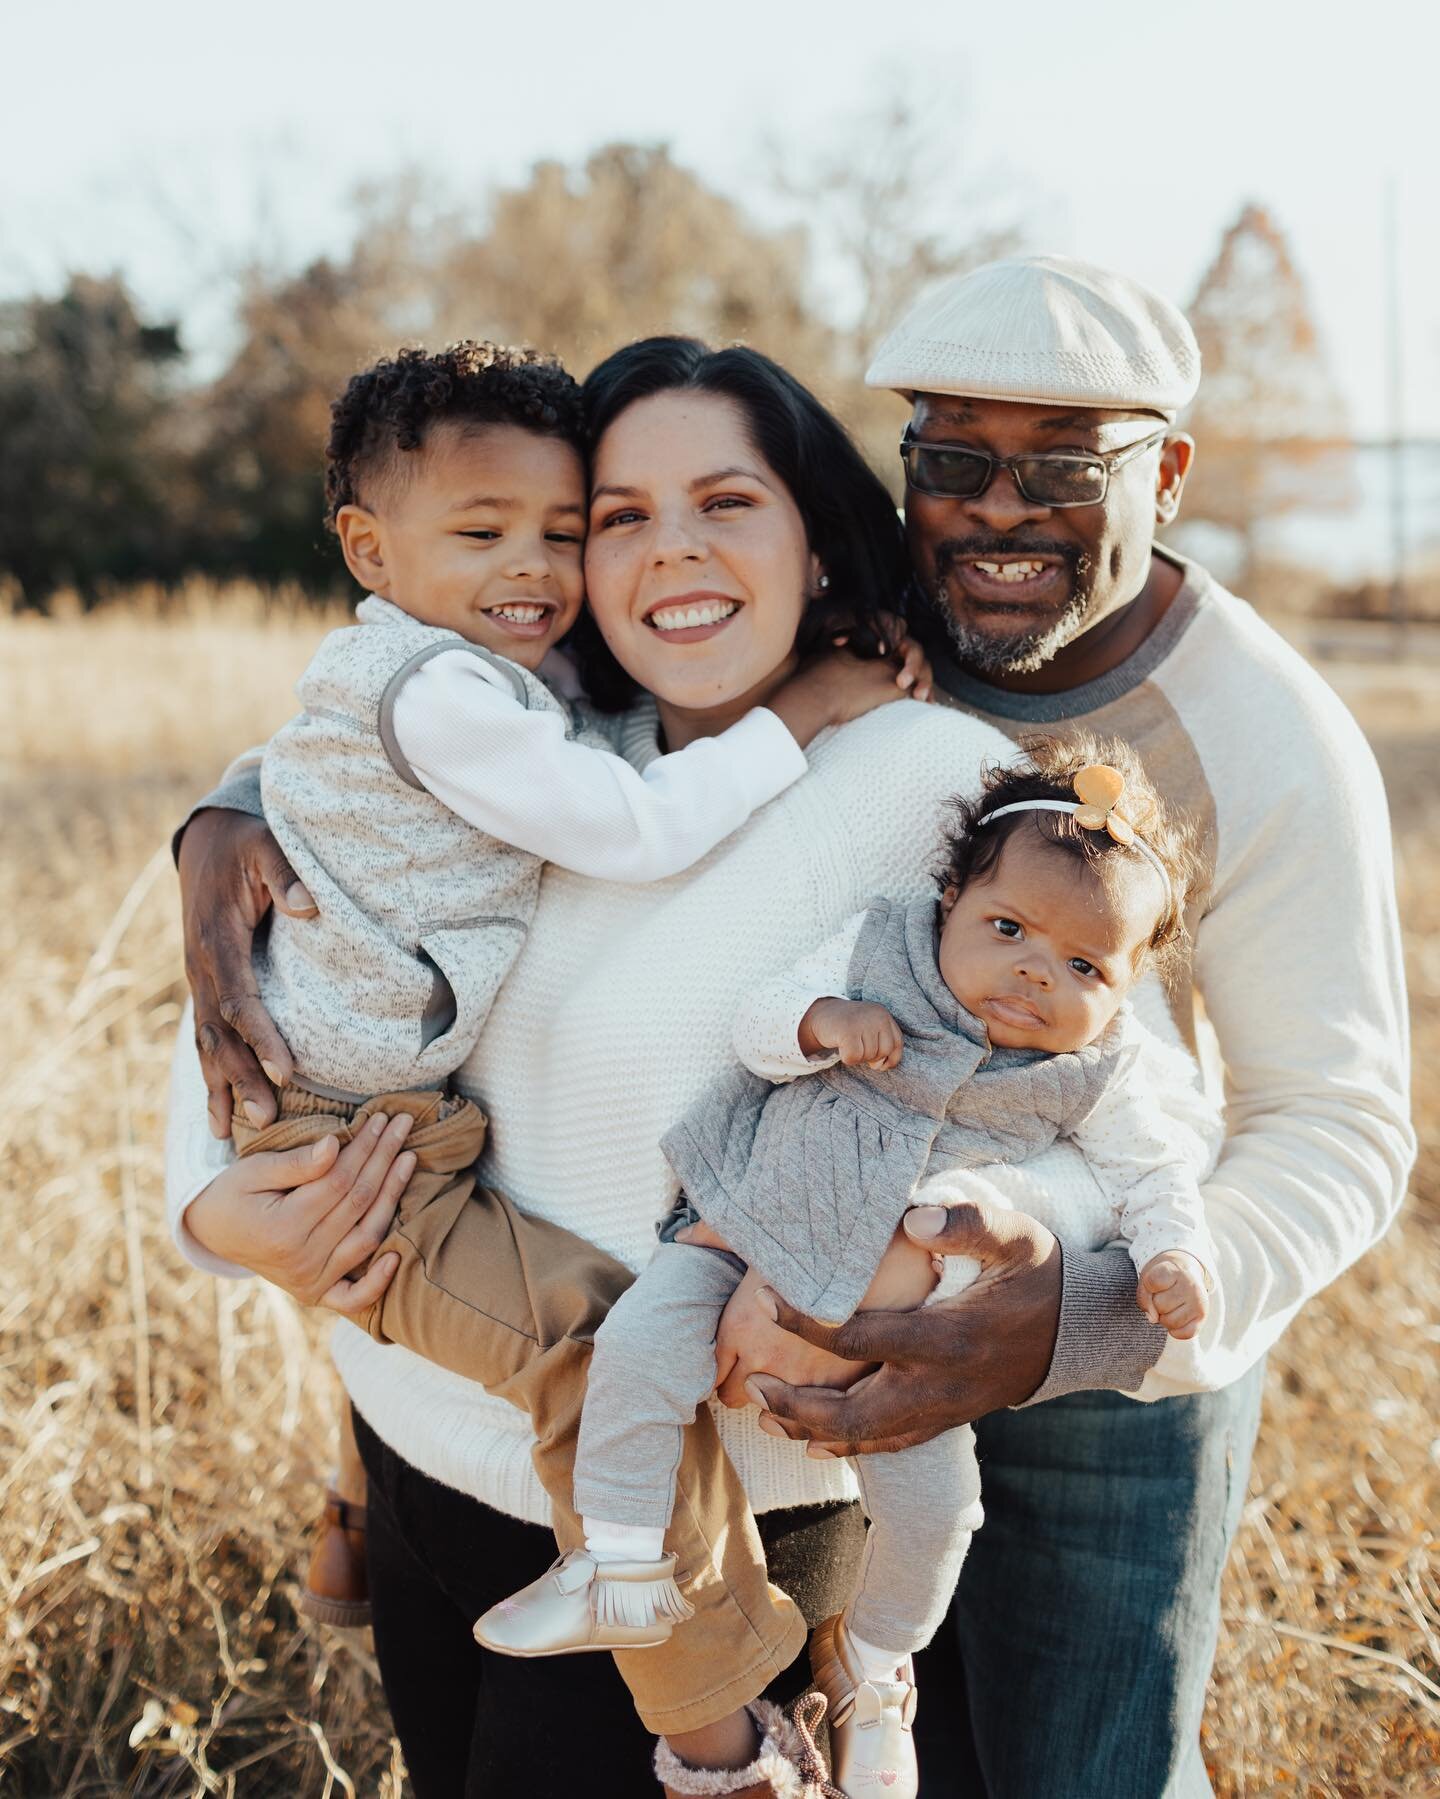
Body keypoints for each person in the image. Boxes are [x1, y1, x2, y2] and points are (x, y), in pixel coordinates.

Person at [166, 336, 1015, 1796]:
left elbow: (1108, 1107)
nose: (661, 548)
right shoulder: (554, 742)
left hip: (730, 1521)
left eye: (726, 501)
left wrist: (926, 1252)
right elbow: (276, 998)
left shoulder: (932, 780)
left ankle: (726, 1730)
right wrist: (221, 1216)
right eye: (617, 513)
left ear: (816, 537)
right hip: (430, 1452)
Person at [713, 255, 1414, 1796]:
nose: (1000, 512)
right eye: (954, 460)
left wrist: (1087, 1317)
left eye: (1063, 468)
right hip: (814, 1297)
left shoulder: (1269, 731)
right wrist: (227, 813)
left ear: (1165, 471)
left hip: (1109, 1375)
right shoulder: (843, 629)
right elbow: (550, 687)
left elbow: (1340, 1119)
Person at [479, 736, 1217, 1799]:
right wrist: (820, 1021)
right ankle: (623, 1556)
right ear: (952, 895)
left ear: (1129, 983)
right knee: (636, 1346)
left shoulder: (1102, 1070)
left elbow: (1157, 1171)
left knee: (939, 1509)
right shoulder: (881, 944)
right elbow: (756, 1021)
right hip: (747, 1222)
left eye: (1084, 966)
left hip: (895, 1345)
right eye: (1007, 928)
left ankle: (875, 1670)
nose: (1032, 970)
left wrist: (1175, 1252)